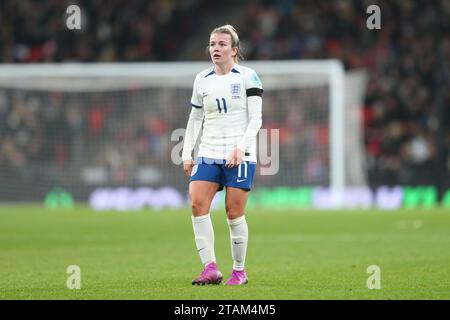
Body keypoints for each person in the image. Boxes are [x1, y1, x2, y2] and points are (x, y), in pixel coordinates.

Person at [182, 25, 263, 286]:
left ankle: (239, 271)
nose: (215, 49)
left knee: (233, 212)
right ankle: (210, 268)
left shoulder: (248, 76)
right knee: (196, 204)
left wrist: (241, 148)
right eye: (212, 44)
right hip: (208, 151)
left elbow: (256, 119)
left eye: (221, 44)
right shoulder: (201, 79)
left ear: (234, 50)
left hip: (240, 153)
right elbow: (195, 117)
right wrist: (187, 152)